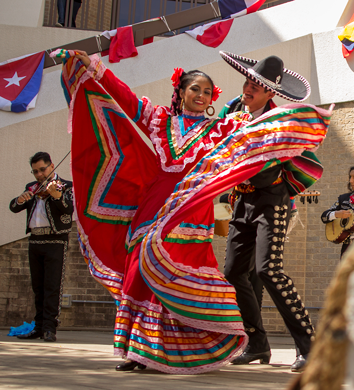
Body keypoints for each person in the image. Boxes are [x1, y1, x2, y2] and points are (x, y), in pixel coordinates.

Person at [51, 48, 330, 374]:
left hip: (225, 207)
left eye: (207, 91)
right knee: (158, 271)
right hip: (169, 205)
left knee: (239, 272)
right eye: (195, 89)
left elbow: (270, 145)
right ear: (180, 92)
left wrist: (290, 127)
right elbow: (125, 99)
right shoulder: (175, 118)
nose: (201, 95)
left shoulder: (235, 126)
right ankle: (148, 350)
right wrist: (95, 69)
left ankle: (303, 346)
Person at [219, 51, 317, 372]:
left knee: (268, 270)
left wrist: (249, 159)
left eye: (255, 87)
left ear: (271, 93)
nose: (247, 90)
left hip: (272, 201)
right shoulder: (233, 110)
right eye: (247, 82)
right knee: (233, 271)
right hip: (243, 202)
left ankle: (309, 346)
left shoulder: (280, 122)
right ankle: (257, 344)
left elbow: (290, 166)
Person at [9, 152, 74, 343]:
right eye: (35, 171)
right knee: (38, 287)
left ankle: (49, 329)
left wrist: (56, 196)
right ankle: (38, 327)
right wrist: (20, 199)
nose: (39, 175)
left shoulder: (65, 186)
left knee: (52, 286)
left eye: (42, 170)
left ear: (52, 166)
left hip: (55, 240)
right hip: (35, 240)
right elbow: (13, 207)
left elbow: (69, 209)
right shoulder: (32, 188)